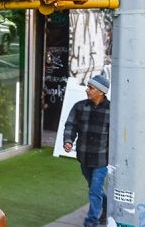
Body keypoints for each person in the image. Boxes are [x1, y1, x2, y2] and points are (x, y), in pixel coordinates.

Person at [64, 74, 111, 227]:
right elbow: (70, 125)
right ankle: (107, 208)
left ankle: (91, 221)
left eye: (91, 88)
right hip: (84, 157)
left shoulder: (112, 110)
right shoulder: (79, 107)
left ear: (101, 92)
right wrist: (68, 140)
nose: (87, 90)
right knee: (95, 188)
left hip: (102, 159)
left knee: (95, 189)